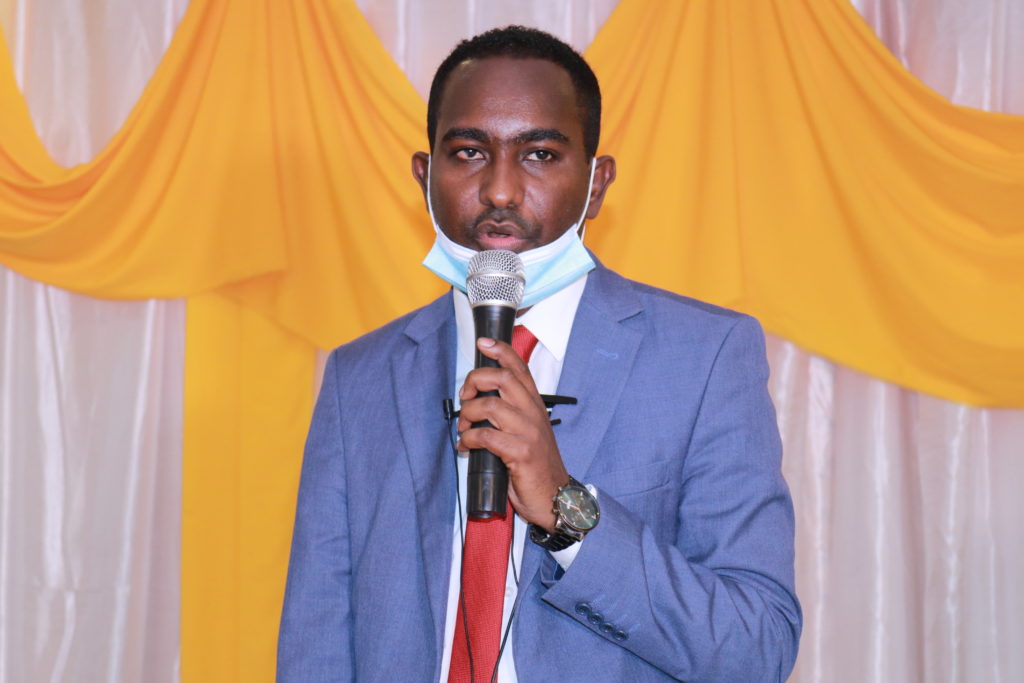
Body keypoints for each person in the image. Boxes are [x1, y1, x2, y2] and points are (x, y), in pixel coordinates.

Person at [278, 26, 801, 682]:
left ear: (596, 183)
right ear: (424, 174)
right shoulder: (361, 378)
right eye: (469, 151)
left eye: (540, 155)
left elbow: (757, 645)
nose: (499, 190)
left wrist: (565, 508)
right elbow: (316, 644)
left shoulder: (705, 358)